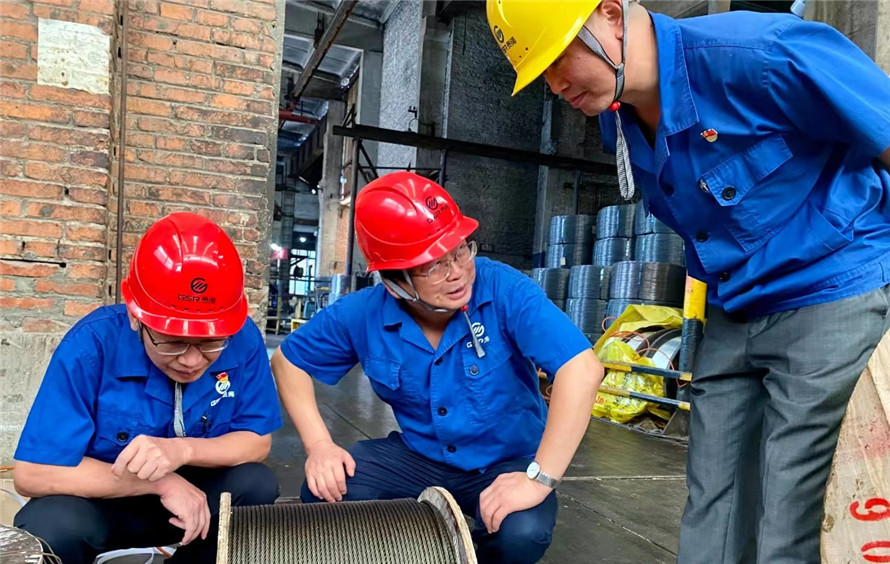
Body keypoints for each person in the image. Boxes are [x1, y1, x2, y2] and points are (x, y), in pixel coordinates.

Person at [487, 1, 890, 562]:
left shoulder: (761, 55)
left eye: (559, 57)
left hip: (828, 291)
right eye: (540, 73)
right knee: (712, 504)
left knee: (790, 506)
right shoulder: (617, 119)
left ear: (611, 15)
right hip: (734, 306)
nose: (555, 85)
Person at [271, 171, 603, 564]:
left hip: (504, 462)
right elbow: (288, 361)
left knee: (522, 534)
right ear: (395, 281)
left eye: (460, 251)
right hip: (419, 458)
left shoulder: (505, 291)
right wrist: (319, 446)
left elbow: (582, 370)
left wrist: (538, 479)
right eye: (433, 266)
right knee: (327, 490)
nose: (457, 272)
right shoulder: (362, 314)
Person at [13, 212, 282, 564]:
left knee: (256, 485)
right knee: (48, 524)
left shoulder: (242, 338)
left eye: (210, 343)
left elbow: (256, 441)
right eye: (172, 342)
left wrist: (180, 451)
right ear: (135, 317)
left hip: (195, 506)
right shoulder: (91, 346)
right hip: (106, 503)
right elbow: (32, 474)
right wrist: (161, 482)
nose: (191, 360)